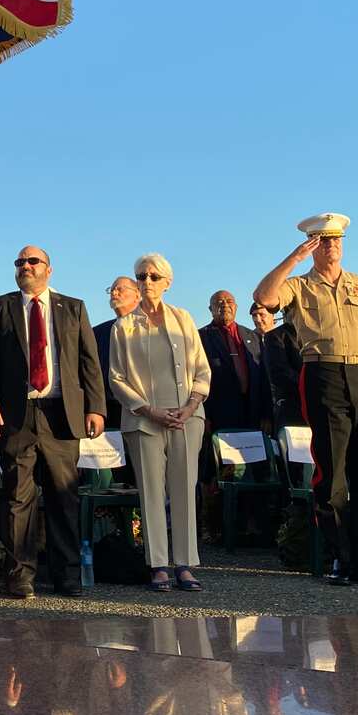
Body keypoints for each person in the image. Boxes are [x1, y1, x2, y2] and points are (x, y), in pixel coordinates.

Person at [254, 213, 358, 587]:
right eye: (322, 240)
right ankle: (341, 558)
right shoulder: (299, 286)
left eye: (336, 239)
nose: (331, 245)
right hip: (323, 373)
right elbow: (264, 297)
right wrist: (294, 259)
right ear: (312, 245)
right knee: (331, 471)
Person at [0, 245, 105, 598]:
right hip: (17, 416)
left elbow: (89, 361)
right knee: (18, 497)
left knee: (63, 496)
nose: (25, 267)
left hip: (60, 415)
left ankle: (66, 575)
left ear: (49, 269)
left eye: (33, 261)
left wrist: (95, 406)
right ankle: (20, 575)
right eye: (19, 262)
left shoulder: (72, 307)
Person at [108, 254, 211, 592]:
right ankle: (158, 565)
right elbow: (117, 379)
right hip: (144, 420)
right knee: (152, 491)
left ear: (167, 282)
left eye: (154, 276)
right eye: (141, 276)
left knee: (183, 488)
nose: (147, 281)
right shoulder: (122, 327)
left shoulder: (183, 319)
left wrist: (191, 405)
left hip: (186, 416)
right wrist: (148, 410)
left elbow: (202, 369)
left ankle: (185, 564)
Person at [199, 290, 267, 433]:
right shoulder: (200, 337)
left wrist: (266, 415)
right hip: (219, 415)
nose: (225, 305)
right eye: (219, 302)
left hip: (253, 412)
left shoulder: (253, 336)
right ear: (211, 309)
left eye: (229, 301)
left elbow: (263, 376)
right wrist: (203, 416)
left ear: (236, 307)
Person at [94, 276, 140, 427]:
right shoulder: (97, 333)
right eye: (111, 290)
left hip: (146, 410)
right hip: (110, 411)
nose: (114, 293)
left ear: (138, 295)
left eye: (120, 289)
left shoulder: (153, 329)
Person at [252, 303, 304, 427]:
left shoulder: (314, 333)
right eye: (255, 315)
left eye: (261, 315)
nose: (258, 319)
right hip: (293, 407)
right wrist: (308, 385)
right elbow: (280, 374)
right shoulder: (277, 336)